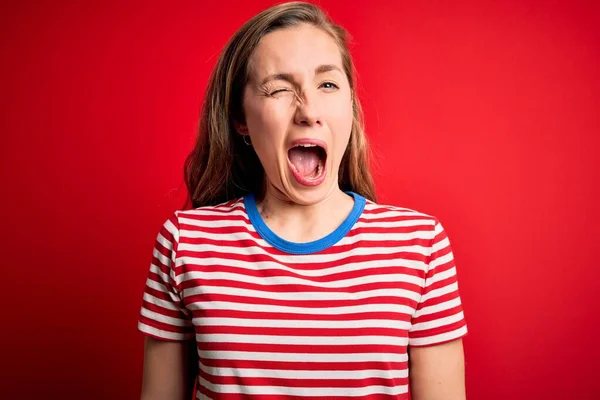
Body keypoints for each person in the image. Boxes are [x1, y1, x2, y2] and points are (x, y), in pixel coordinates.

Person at [138, 2, 468, 399]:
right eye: (279, 88)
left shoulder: (420, 245)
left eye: (327, 85)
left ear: (350, 104)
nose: (308, 111)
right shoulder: (185, 243)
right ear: (241, 118)